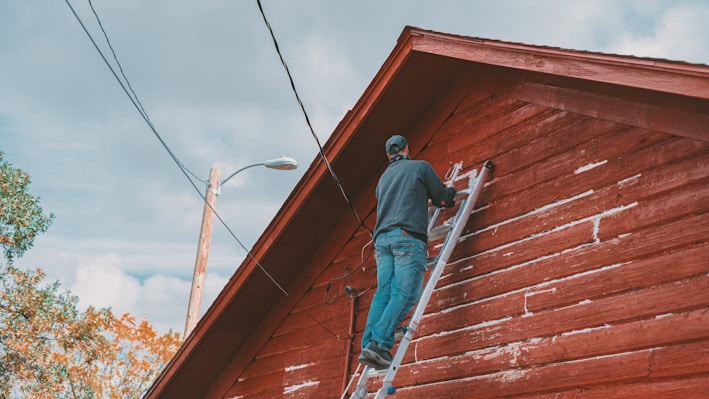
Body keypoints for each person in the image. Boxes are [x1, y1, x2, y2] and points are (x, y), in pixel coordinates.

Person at [359, 134, 456, 369]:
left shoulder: (383, 180)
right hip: (407, 238)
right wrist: (450, 191)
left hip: (382, 241)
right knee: (406, 293)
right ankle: (379, 344)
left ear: (388, 155)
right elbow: (442, 199)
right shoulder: (419, 167)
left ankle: (369, 344)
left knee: (384, 293)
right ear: (406, 149)